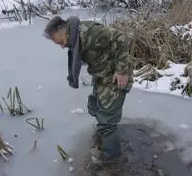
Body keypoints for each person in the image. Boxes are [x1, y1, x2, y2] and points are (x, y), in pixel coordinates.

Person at [43, 16, 134, 162]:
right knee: (94, 106)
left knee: (107, 120)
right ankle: (104, 137)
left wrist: (121, 70)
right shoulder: (75, 37)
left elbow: (121, 37)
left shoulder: (91, 33)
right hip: (101, 76)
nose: (61, 46)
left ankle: (111, 159)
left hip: (115, 77)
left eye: (60, 42)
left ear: (64, 30)